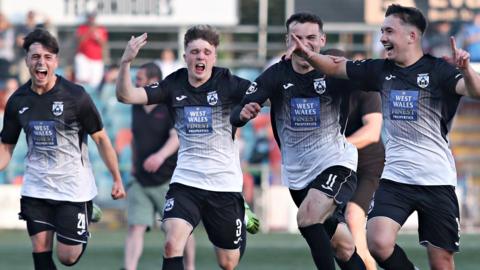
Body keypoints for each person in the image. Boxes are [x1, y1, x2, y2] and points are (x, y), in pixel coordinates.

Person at [286, 4, 480, 270]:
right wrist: (308, 54)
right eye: (382, 31)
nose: (382, 38)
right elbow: (335, 67)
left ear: (411, 36)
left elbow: (474, 90)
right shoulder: (380, 70)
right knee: (377, 242)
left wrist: (467, 69)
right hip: (395, 177)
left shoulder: (439, 71)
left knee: (442, 262)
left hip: (436, 180)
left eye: (389, 31)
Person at [231, 13, 365, 270]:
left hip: (336, 163)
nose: (304, 44)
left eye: (311, 38)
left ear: (322, 40)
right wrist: (243, 114)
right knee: (344, 248)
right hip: (297, 176)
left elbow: (377, 77)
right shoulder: (275, 76)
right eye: (298, 38)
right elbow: (238, 111)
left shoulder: (336, 71)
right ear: (287, 42)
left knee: (307, 218)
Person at [116, 25, 252, 270]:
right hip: (185, 182)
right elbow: (126, 96)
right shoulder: (174, 84)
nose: (201, 56)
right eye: (194, 51)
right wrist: (126, 61)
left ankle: (240, 218)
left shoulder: (228, 82)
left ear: (214, 57)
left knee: (228, 262)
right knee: (171, 244)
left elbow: (268, 95)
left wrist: (256, 103)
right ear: (185, 57)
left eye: (206, 52)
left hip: (224, 184)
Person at [0, 29, 125, 270]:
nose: (41, 62)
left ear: (55, 61)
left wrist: (117, 178)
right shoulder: (18, 101)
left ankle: (86, 212)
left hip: (72, 188)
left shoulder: (75, 96)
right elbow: (6, 146)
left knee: (67, 257)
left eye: (47, 57)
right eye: (35, 56)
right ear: (26, 59)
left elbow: (100, 138)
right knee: (40, 250)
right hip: (36, 186)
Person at [123, 62, 195, 270]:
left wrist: (159, 156)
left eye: (140, 80)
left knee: (179, 230)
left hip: (168, 180)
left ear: (153, 82)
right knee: (135, 226)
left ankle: (189, 266)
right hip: (141, 180)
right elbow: (135, 138)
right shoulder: (136, 105)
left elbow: (177, 137)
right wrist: (135, 165)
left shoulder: (169, 104)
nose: (136, 84)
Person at [324, 48, 385, 270]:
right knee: (334, 235)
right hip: (338, 166)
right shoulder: (319, 92)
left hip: (366, 165)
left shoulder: (364, 89)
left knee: (353, 218)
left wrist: (337, 147)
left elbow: (372, 131)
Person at [74, 11, 108, 88]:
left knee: (95, 83)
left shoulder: (101, 28)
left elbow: (104, 44)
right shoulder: (82, 28)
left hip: (97, 59)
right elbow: (79, 42)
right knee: (81, 80)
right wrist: (89, 31)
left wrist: (97, 37)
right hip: (84, 57)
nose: (91, 19)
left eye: (93, 17)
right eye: (90, 17)